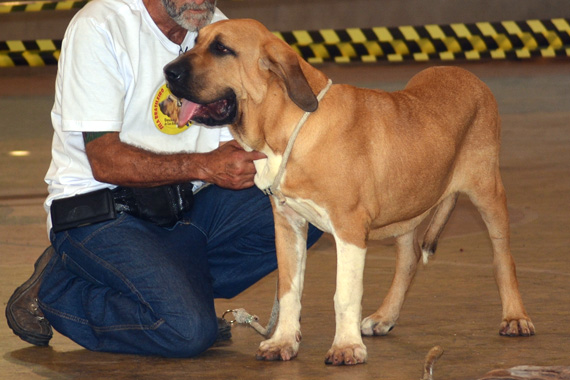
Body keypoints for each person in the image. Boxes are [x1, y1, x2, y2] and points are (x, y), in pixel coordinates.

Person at [5, 0, 322, 358]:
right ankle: (58, 289)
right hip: (100, 213)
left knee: (311, 202)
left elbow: (239, 133)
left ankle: (174, 295)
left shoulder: (216, 27)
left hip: (182, 209)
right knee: (187, 331)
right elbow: (104, 161)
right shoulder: (100, 26)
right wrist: (204, 166)